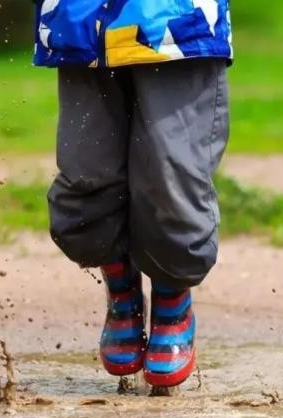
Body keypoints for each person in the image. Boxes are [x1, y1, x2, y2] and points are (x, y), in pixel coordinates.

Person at [32, 0, 232, 390]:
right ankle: (121, 288)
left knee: (171, 172)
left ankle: (172, 296)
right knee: (87, 173)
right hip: (82, 22)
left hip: (177, 25)